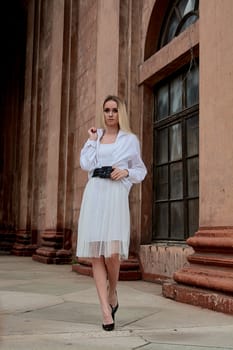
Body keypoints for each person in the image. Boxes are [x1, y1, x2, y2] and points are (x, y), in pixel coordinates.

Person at [76, 95, 147, 331]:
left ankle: (113, 292)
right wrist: (90, 140)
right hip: (95, 194)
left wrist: (126, 172)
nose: (110, 114)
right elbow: (86, 164)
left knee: (113, 254)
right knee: (97, 254)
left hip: (115, 197)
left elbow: (140, 170)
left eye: (114, 110)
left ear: (120, 113)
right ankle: (106, 310)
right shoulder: (95, 139)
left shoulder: (130, 140)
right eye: (106, 110)